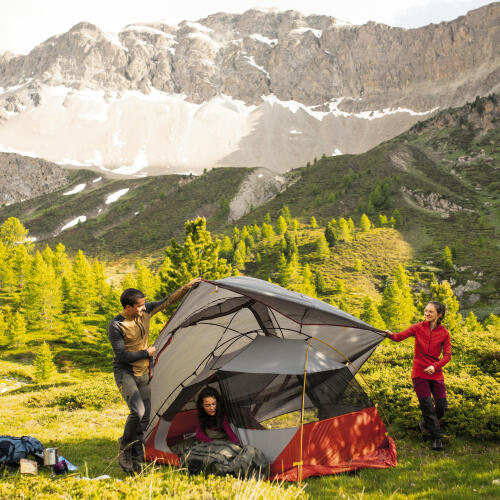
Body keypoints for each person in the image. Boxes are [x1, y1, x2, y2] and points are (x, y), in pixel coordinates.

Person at [108, 278, 201, 473]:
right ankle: (124, 448)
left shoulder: (146, 312)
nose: (143, 308)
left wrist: (186, 287)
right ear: (128, 307)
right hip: (126, 373)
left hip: (144, 373)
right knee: (138, 412)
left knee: (145, 418)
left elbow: (167, 301)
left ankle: (137, 454)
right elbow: (122, 356)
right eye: (140, 306)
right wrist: (146, 353)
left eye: (144, 305)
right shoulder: (116, 326)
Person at [386, 301, 451, 451]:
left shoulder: (444, 333)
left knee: (441, 407)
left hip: (436, 373)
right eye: (426, 311)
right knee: (427, 406)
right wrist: (389, 335)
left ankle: (425, 424)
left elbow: (447, 356)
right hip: (419, 373)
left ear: (439, 315)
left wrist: (435, 367)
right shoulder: (417, 327)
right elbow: (398, 337)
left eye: (431, 312)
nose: (427, 314)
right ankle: (437, 439)